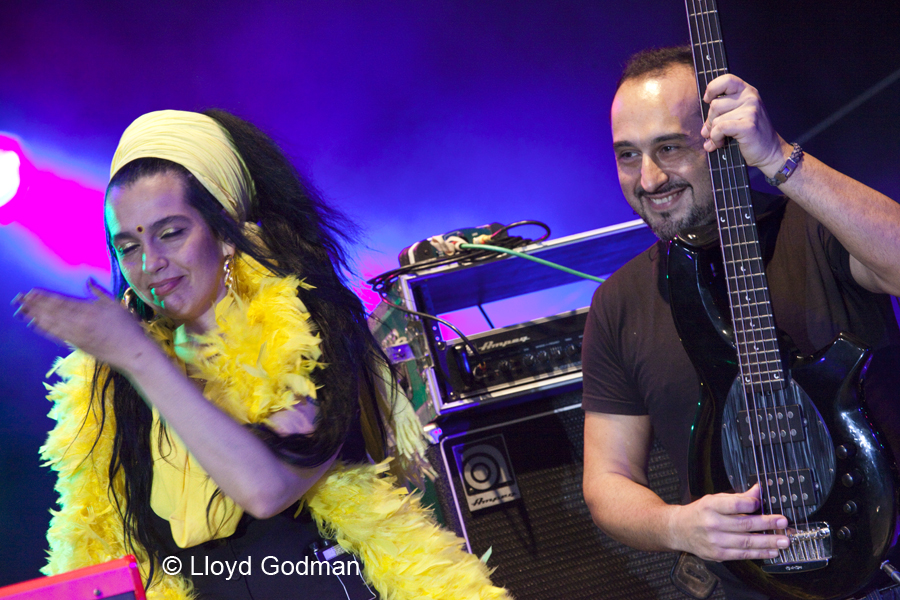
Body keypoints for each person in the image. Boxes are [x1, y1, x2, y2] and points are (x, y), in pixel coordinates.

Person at [13, 110, 511, 600]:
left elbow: (266, 487)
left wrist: (139, 358)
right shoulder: (121, 373)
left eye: (171, 233)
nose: (149, 264)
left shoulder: (304, 325)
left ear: (226, 232)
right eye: (127, 246)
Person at [580, 47, 900, 599]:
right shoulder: (618, 304)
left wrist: (778, 157)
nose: (649, 178)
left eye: (670, 148)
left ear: (718, 137)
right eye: (628, 155)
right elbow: (607, 480)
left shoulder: (817, 227)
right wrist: (677, 526)